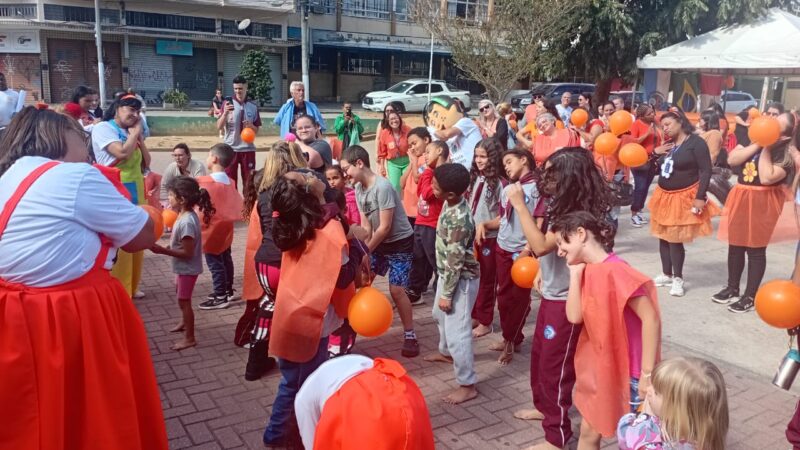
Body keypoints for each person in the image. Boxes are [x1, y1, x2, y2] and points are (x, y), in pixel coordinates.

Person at [0, 105, 168, 449]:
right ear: (60, 136)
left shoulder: (8, 177)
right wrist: (151, 213)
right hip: (69, 316)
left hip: (15, 318)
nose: (87, 147)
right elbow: (140, 235)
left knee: (34, 416)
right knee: (93, 414)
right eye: (81, 137)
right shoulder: (74, 176)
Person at [508, 148, 615, 450]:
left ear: (569, 178)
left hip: (568, 302)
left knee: (555, 369)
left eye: (552, 173)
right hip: (553, 294)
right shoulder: (562, 205)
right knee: (540, 360)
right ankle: (546, 411)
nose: (545, 178)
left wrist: (519, 205)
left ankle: (556, 437)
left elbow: (541, 245)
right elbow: (549, 252)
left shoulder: (577, 215)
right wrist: (543, 271)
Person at [262, 172, 357, 448]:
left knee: (290, 381)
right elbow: (343, 276)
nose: (308, 173)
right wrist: (356, 249)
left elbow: (326, 214)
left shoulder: (290, 225)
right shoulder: (328, 231)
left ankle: (276, 434)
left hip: (289, 315)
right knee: (306, 385)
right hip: (314, 322)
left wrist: (321, 198)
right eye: (304, 176)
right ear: (309, 195)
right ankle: (293, 437)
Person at [553, 211, 661, 449]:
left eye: (562, 243)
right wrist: (575, 275)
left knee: (635, 441)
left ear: (581, 234)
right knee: (589, 432)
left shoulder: (616, 270)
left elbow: (650, 318)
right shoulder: (588, 269)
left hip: (632, 373)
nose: (559, 251)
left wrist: (647, 374)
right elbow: (574, 316)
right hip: (605, 369)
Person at [713, 113, 796, 313]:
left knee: (755, 249)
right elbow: (733, 159)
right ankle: (732, 288)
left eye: (777, 122)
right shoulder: (753, 139)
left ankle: (750, 295)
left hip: (763, 202)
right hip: (741, 196)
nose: (770, 121)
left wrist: (767, 146)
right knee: (735, 245)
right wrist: (759, 143)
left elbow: (767, 177)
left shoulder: (786, 153)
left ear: (785, 134)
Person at [341, 145, 420, 357]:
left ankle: (410, 335)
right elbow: (367, 227)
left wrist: (366, 251)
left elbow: (385, 227)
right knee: (363, 281)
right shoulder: (359, 189)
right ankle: (351, 329)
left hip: (400, 244)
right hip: (379, 244)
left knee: (397, 291)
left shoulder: (383, 187)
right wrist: (362, 251)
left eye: (346, 169)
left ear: (359, 163)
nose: (345, 175)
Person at [246, 141, 307, 380]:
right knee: (298, 308)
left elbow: (264, 229)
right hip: (289, 260)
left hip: (265, 261)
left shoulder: (263, 193)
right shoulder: (297, 191)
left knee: (268, 305)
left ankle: (255, 362)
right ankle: (297, 361)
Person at [422, 163, 480, 405]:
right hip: (448, 275)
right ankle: (447, 353)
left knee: (458, 332)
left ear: (451, 194)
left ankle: (467, 384)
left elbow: (456, 262)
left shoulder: (459, 220)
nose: (431, 189)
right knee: (439, 314)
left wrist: (447, 294)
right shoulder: (450, 202)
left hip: (460, 280)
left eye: (435, 187)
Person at [294, 355, 435, 450]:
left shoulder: (302, 403)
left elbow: (315, 445)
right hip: (402, 389)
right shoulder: (313, 389)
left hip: (360, 402)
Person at [648, 111, 719, 297]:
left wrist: (700, 196)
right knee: (663, 235)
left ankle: (678, 278)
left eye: (668, 124)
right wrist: (655, 153)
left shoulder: (696, 143)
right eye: (663, 126)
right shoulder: (670, 145)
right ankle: (666, 274)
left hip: (683, 197)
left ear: (680, 122)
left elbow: (706, 171)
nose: (665, 128)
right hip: (664, 195)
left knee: (674, 238)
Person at [91, 94, 151, 298]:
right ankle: (121, 289)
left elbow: (147, 162)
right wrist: (134, 135)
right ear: (117, 108)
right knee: (122, 240)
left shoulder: (132, 131)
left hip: (137, 188)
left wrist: (139, 137)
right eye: (130, 109)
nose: (135, 114)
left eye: (138, 111)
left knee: (138, 237)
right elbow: (122, 153)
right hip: (116, 190)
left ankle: (133, 285)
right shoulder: (104, 128)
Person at [150, 176, 213, 350]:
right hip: (182, 269)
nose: (168, 198)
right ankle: (184, 322)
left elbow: (187, 252)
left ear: (182, 199)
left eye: (171, 195)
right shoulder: (183, 215)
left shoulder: (186, 222)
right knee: (180, 298)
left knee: (184, 302)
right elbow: (180, 243)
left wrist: (162, 251)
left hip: (187, 269)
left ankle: (190, 338)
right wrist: (168, 246)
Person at [490, 148, 539, 365]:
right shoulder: (508, 188)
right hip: (503, 247)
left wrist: (528, 249)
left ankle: (510, 340)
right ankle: (510, 337)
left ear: (524, 160)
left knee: (518, 299)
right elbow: (503, 218)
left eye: (509, 162)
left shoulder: (537, 189)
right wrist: (485, 225)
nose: (506, 167)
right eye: (504, 164)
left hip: (522, 251)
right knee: (503, 297)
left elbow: (539, 222)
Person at [617, 357, 729, 450]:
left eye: (656, 392)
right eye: (652, 385)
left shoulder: (649, 440)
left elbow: (625, 436)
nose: (648, 390)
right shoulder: (703, 436)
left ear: (676, 409)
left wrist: (643, 418)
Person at [196, 143, 244, 310]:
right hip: (226, 227)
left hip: (211, 229)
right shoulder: (230, 181)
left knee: (215, 263)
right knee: (225, 258)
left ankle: (220, 296)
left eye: (209, 155)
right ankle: (227, 289)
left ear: (215, 158)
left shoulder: (204, 182)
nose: (207, 158)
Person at [469, 137, 505, 338]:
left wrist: (486, 225)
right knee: (475, 277)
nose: (479, 160)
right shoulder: (477, 177)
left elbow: (505, 216)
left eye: (483, 156)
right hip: (474, 236)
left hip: (490, 237)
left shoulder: (500, 183)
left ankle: (485, 320)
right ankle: (475, 314)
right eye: (476, 156)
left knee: (487, 280)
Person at [406, 141, 448, 306]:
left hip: (434, 224)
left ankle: (442, 291)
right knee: (418, 257)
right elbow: (423, 193)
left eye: (428, 151)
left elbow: (428, 193)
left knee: (436, 259)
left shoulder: (444, 172)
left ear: (440, 151)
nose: (425, 155)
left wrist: (436, 182)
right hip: (421, 221)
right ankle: (415, 290)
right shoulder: (428, 172)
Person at [234, 169, 266, 348]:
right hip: (258, 262)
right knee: (254, 305)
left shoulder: (258, 204)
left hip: (257, 260)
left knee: (256, 304)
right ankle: (242, 337)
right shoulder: (261, 206)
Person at [218, 75, 262, 188]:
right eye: (236, 88)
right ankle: (232, 200)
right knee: (230, 182)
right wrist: (224, 114)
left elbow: (257, 130)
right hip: (230, 149)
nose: (238, 91)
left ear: (246, 87)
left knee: (249, 182)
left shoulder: (253, 106)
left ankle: (248, 200)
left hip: (248, 149)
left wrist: (251, 126)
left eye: (240, 88)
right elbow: (219, 126)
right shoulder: (227, 104)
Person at [628, 104, 662, 228]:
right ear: (641, 116)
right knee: (640, 187)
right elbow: (633, 141)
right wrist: (647, 134)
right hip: (640, 160)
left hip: (653, 159)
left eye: (653, 112)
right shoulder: (636, 124)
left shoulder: (655, 123)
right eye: (649, 114)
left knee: (646, 186)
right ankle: (633, 213)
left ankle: (639, 210)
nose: (653, 115)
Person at [427, 95, 482, 169]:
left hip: (475, 168)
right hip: (460, 172)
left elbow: (446, 135)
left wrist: (432, 129)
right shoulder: (445, 132)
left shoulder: (465, 121)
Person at [401, 127, 431, 228]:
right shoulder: (415, 159)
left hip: (420, 212)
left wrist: (414, 161)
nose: (412, 148)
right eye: (410, 146)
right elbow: (401, 183)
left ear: (426, 140)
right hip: (409, 211)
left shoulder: (428, 159)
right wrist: (412, 163)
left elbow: (417, 178)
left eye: (414, 143)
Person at [378, 111, 411, 191]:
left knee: (407, 184)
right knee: (395, 186)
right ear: (388, 121)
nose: (394, 121)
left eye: (396, 118)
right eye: (391, 119)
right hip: (393, 163)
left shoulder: (408, 130)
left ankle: (406, 199)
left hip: (407, 161)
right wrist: (382, 166)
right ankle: (397, 199)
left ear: (399, 119)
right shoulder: (384, 133)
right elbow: (382, 152)